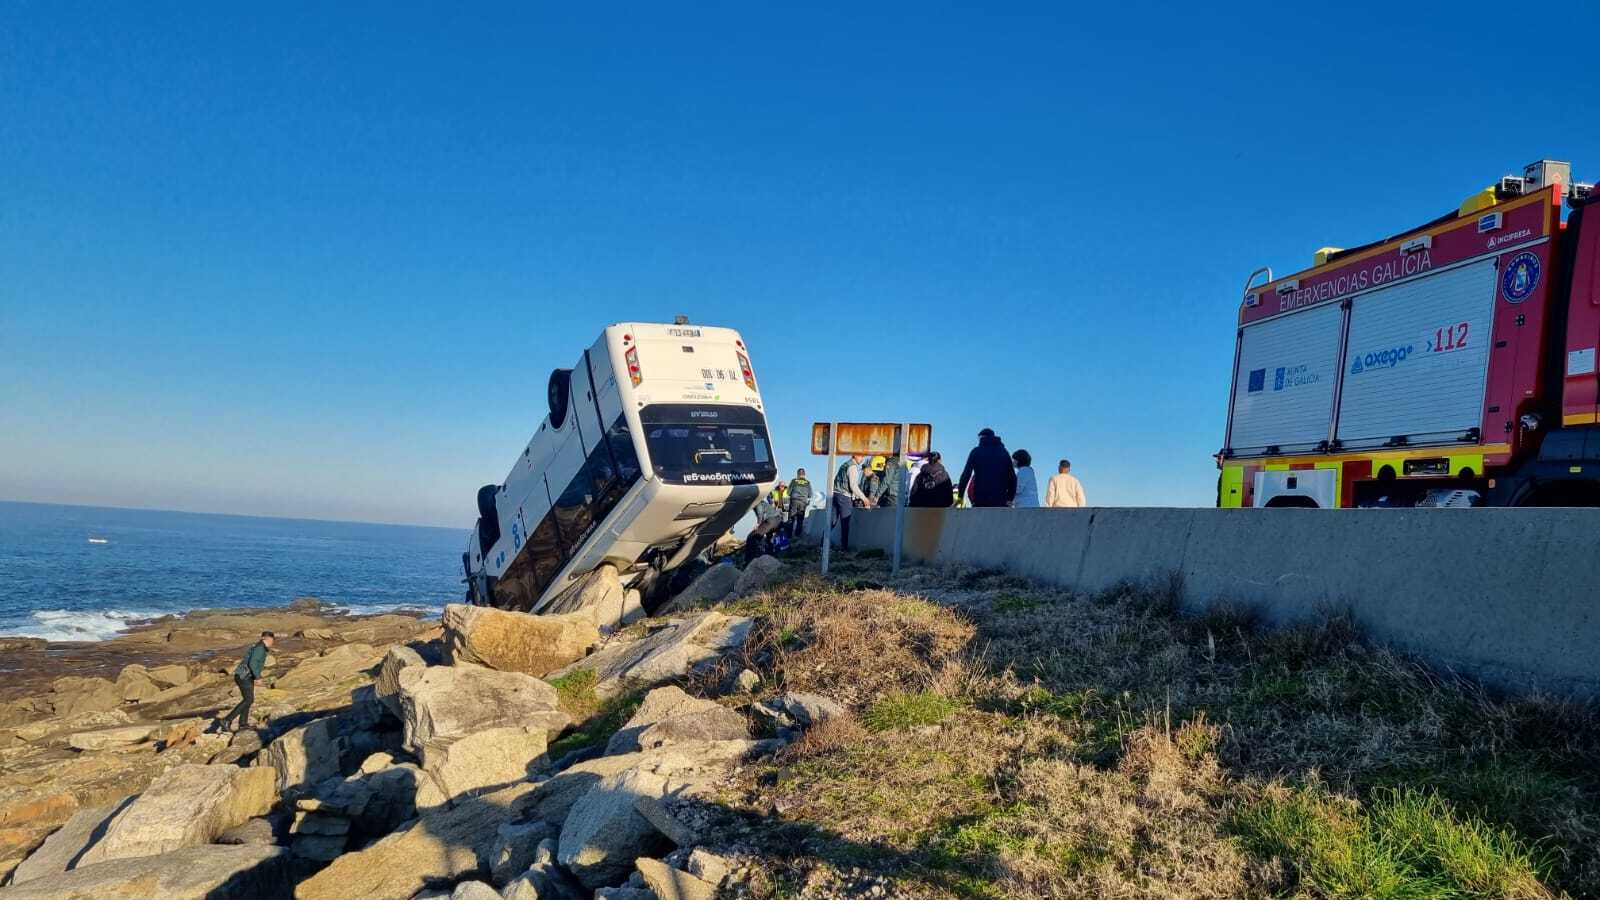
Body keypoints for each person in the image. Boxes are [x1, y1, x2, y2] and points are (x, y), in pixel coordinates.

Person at [213, 630, 274, 733]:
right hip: (243, 677)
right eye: (272, 641)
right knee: (249, 700)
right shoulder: (260, 648)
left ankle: (243, 724)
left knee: (247, 699)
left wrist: (254, 677)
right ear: (266, 639)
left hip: (245, 676)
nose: (273, 643)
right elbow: (253, 663)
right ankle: (226, 720)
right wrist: (258, 678)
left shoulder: (259, 647)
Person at [958, 428, 1017, 508]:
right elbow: (1012, 477)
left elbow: (966, 475)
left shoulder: (976, 452)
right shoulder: (1004, 453)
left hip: (980, 499)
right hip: (1000, 500)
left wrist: (960, 496)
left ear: (982, 437)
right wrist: (1010, 498)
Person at [832, 453, 868, 549]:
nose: (862, 459)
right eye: (861, 456)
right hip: (844, 496)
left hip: (835, 494)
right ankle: (844, 547)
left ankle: (823, 544)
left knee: (832, 521)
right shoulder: (852, 467)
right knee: (845, 522)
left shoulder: (844, 465)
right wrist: (864, 498)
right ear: (855, 456)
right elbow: (853, 486)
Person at [787, 468, 813, 539]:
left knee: (791, 518)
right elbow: (810, 495)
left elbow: (788, 492)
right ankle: (797, 536)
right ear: (804, 475)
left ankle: (789, 536)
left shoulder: (794, 481)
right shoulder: (808, 482)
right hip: (803, 502)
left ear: (798, 474)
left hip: (794, 501)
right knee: (800, 519)